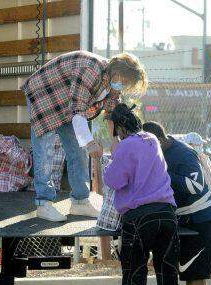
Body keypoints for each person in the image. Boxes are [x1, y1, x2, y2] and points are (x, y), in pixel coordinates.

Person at [21, 51, 147, 222]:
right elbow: (78, 112)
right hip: (45, 93)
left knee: (78, 152)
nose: (122, 85)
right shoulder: (90, 70)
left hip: (68, 101)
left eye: (126, 84)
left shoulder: (113, 81)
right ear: (116, 71)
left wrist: (115, 141)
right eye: (123, 81)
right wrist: (90, 143)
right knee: (45, 150)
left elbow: (111, 112)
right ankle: (43, 203)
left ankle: (80, 201)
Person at [104, 104, 180, 285]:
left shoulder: (125, 146)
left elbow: (114, 180)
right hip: (166, 213)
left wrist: (113, 153)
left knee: (134, 269)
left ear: (118, 127)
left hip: (138, 217)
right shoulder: (152, 139)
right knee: (167, 267)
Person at [143, 122, 211, 285]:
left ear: (159, 140)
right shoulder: (154, 153)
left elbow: (195, 186)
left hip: (200, 216)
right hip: (175, 217)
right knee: (168, 266)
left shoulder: (184, 153)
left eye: (149, 146)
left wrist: (162, 172)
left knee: (194, 270)